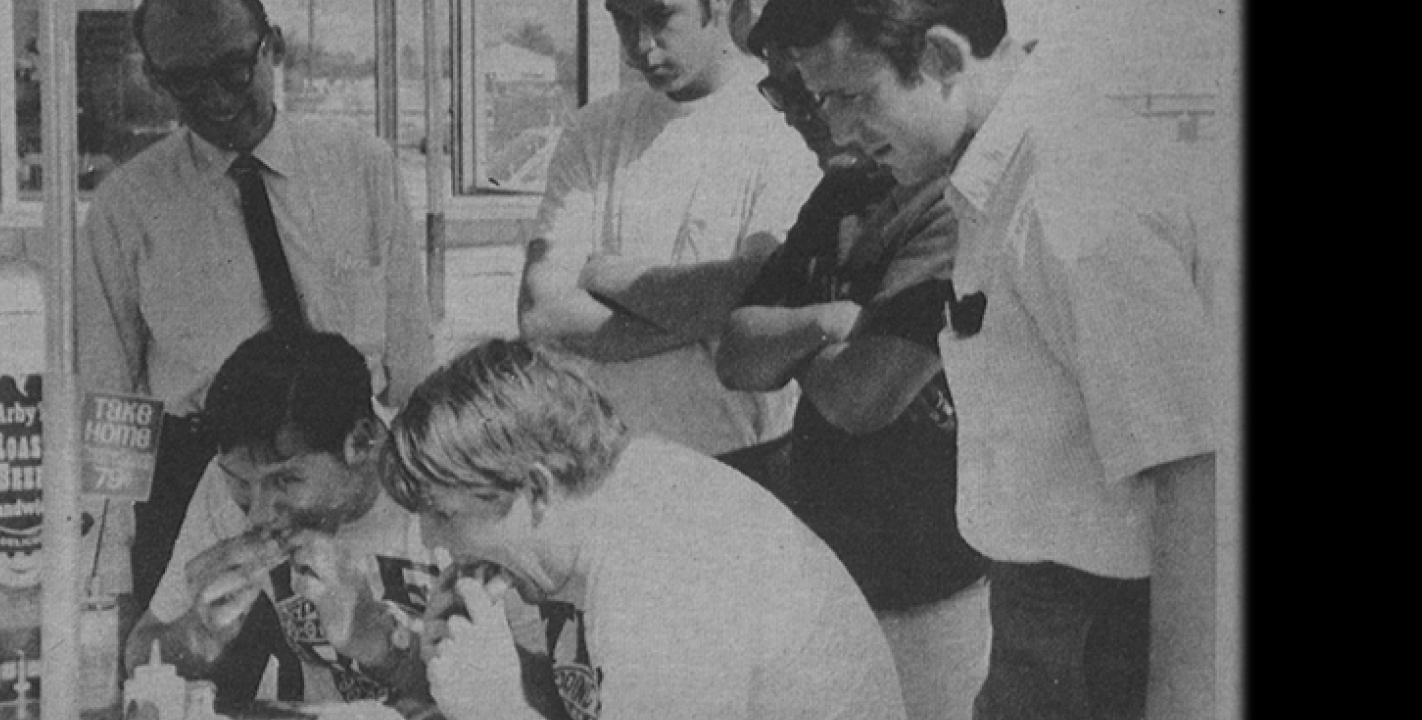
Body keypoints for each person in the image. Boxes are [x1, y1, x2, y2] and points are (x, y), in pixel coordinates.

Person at [750, 1, 1227, 718]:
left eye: (853, 97)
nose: (838, 129)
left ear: (942, 57)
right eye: (823, 101)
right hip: (1044, 629)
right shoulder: (1001, 183)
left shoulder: (1069, 195)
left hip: (1108, 642)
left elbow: (1192, 472)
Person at [77, 0, 434, 618]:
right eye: (185, 81)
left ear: (273, 45)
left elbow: (413, 373)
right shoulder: (124, 208)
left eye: (233, 68)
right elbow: (112, 408)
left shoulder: (363, 167)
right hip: (209, 478)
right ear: (155, 79)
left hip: (348, 474)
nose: (215, 98)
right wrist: (112, 583)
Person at [383, 339, 908, 720]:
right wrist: (512, 675)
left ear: (537, 491)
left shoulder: (659, 563)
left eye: (445, 514)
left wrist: (495, 709)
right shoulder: (601, 515)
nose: (432, 540)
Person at [715, 46, 989, 720]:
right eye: (786, 95)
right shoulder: (838, 196)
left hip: (937, 585)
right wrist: (836, 321)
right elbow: (736, 354)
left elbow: (862, 397)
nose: (809, 119)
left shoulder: (948, 198)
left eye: (827, 97)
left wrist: (795, 343)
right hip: (832, 577)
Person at [122, 329, 560, 717]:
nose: (257, 512)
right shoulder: (226, 487)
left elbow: (543, 697)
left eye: (287, 479)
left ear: (363, 440)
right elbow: (140, 652)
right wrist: (198, 635)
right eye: (242, 484)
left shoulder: (441, 486)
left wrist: (378, 642)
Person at [516, 0, 823, 483]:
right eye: (621, 17)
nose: (640, 44)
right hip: (604, 464)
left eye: (660, 17)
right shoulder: (591, 130)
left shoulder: (782, 120)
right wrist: (712, 311)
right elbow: (542, 314)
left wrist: (604, 276)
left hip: (739, 465)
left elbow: (762, 290)